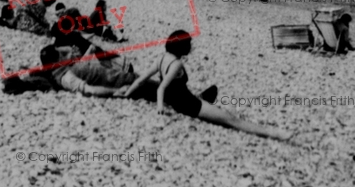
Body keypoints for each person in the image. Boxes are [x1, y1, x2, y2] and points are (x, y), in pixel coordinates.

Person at [116, 30, 293, 141]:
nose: (191, 46)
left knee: (213, 94)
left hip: (181, 99)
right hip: (188, 105)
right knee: (231, 120)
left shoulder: (162, 58)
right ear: (182, 46)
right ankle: (276, 134)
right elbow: (161, 88)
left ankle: (205, 100)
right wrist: (160, 109)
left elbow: (141, 79)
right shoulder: (176, 64)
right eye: (189, 44)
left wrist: (127, 94)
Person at [40, 44, 136, 97]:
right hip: (122, 83)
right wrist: (117, 91)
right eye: (61, 54)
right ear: (58, 59)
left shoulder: (63, 69)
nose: (63, 55)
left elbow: (80, 67)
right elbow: (91, 90)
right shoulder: (66, 78)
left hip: (118, 76)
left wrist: (89, 51)